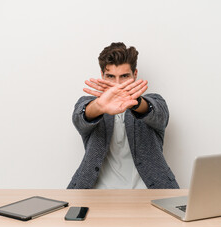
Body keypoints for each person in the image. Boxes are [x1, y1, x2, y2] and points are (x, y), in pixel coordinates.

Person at [67, 42, 179, 189]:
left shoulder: (154, 101)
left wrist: (135, 102)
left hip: (149, 192)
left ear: (135, 74)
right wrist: (99, 106)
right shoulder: (90, 104)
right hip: (97, 192)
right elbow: (79, 118)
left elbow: (159, 115)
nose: (117, 84)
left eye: (124, 76)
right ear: (102, 76)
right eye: (111, 76)